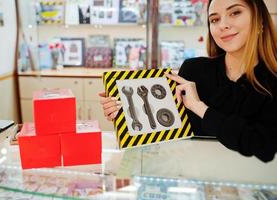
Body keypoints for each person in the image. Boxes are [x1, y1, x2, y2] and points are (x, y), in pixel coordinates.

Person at [99, 0, 277, 162]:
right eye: (214, 19)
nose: (223, 25)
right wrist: (125, 112)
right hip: (190, 179)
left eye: (235, 13)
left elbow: (263, 147)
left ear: (260, 21)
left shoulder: (272, 81)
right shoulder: (193, 69)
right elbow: (163, 131)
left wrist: (199, 107)